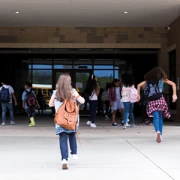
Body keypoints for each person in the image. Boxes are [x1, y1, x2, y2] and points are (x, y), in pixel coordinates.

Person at [49, 74, 85, 170]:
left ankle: (64, 159)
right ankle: (74, 153)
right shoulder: (72, 92)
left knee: (63, 139)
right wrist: (76, 97)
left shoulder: (56, 92)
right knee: (72, 135)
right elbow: (83, 101)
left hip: (60, 120)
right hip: (72, 120)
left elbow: (50, 104)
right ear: (68, 82)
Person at [137, 67, 177, 143]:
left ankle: (157, 131)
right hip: (160, 99)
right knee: (160, 117)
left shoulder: (147, 81)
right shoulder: (162, 79)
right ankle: (160, 134)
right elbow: (173, 84)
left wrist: (138, 95)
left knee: (155, 117)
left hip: (151, 101)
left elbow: (139, 85)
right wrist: (174, 94)